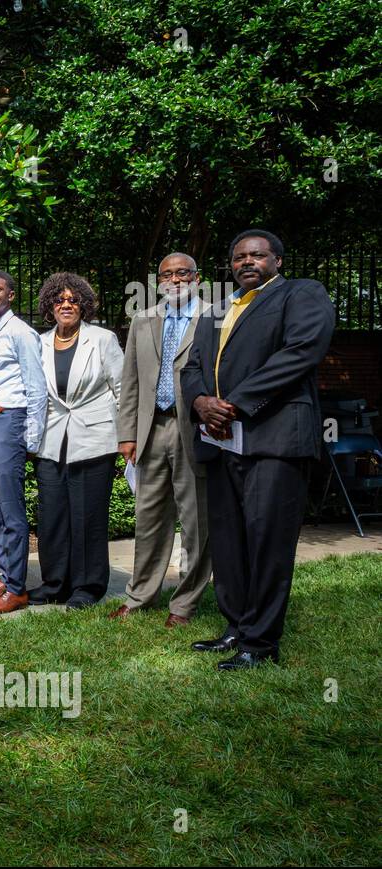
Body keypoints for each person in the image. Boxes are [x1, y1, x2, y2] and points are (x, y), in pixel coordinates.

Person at [181, 229, 334, 670]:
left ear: (278, 262)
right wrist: (199, 402)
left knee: (267, 540)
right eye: (239, 257)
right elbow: (193, 365)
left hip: (274, 438)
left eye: (257, 255)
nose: (247, 262)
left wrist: (234, 403)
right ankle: (236, 627)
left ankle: (261, 643)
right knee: (228, 540)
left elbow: (302, 351)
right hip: (221, 440)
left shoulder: (301, 294)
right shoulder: (217, 309)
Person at [110, 253, 212, 628]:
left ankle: (184, 604)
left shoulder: (213, 317)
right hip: (150, 432)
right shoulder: (143, 319)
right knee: (149, 518)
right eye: (166, 274)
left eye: (182, 272)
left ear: (196, 278)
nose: (174, 280)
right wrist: (126, 435)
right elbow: (131, 380)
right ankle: (140, 596)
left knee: (196, 521)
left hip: (194, 431)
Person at [30, 273, 123, 609]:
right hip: (51, 440)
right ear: (49, 305)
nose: (66, 305)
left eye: (72, 300)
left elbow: (123, 389)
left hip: (95, 437)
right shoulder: (37, 343)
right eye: (59, 299)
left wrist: (127, 437)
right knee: (52, 514)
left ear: (83, 305)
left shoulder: (102, 339)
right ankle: (54, 582)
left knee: (88, 515)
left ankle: (87, 586)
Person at [0, 270, 47, 614]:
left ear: (11, 295)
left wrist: (32, 438)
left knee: (11, 509)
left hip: (8, 420)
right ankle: (6, 573)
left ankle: (17, 589)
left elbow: (36, 387)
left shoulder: (21, 333)